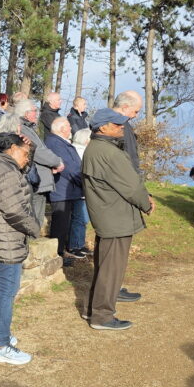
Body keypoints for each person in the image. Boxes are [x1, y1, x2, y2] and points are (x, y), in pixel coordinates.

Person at [81, 108, 154, 331]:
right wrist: (147, 203)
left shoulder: (95, 148)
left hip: (108, 216)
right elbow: (132, 186)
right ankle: (102, 317)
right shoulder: (109, 153)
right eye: (116, 124)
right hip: (115, 218)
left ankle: (90, 309)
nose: (122, 127)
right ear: (103, 128)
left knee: (105, 268)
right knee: (111, 271)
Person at [0, 133, 40, 364]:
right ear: (12, 148)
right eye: (25, 154)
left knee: (0, 287)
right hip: (7, 239)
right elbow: (14, 210)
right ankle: (0, 345)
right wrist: (34, 227)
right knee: (7, 291)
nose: (27, 159)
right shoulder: (7, 172)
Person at [0, 99, 63, 231]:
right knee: (34, 215)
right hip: (34, 179)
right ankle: (32, 242)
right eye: (34, 111)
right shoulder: (24, 130)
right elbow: (38, 151)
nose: (36, 114)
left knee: (36, 213)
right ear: (26, 113)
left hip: (39, 177)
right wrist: (57, 162)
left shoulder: (28, 128)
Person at [45, 117, 86, 262]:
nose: (71, 129)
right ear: (62, 129)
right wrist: (84, 183)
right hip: (61, 190)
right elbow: (68, 167)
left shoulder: (60, 142)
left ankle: (61, 252)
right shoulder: (55, 143)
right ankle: (57, 255)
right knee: (60, 226)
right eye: (68, 126)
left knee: (65, 224)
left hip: (68, 189)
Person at [70, 128, 93, 259]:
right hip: (80, 191)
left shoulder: (76, 150)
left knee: (82, 219)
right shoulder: (80, 151)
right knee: (80, 218)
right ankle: (75, 245)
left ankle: (80, 243)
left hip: (81, 190)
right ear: (86, 140)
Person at [112, 90, 143, 173]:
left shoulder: (101, 122)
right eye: (136, 111)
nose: (136, 116)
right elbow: (130, 155)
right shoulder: (122, 126)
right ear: (125, 107)